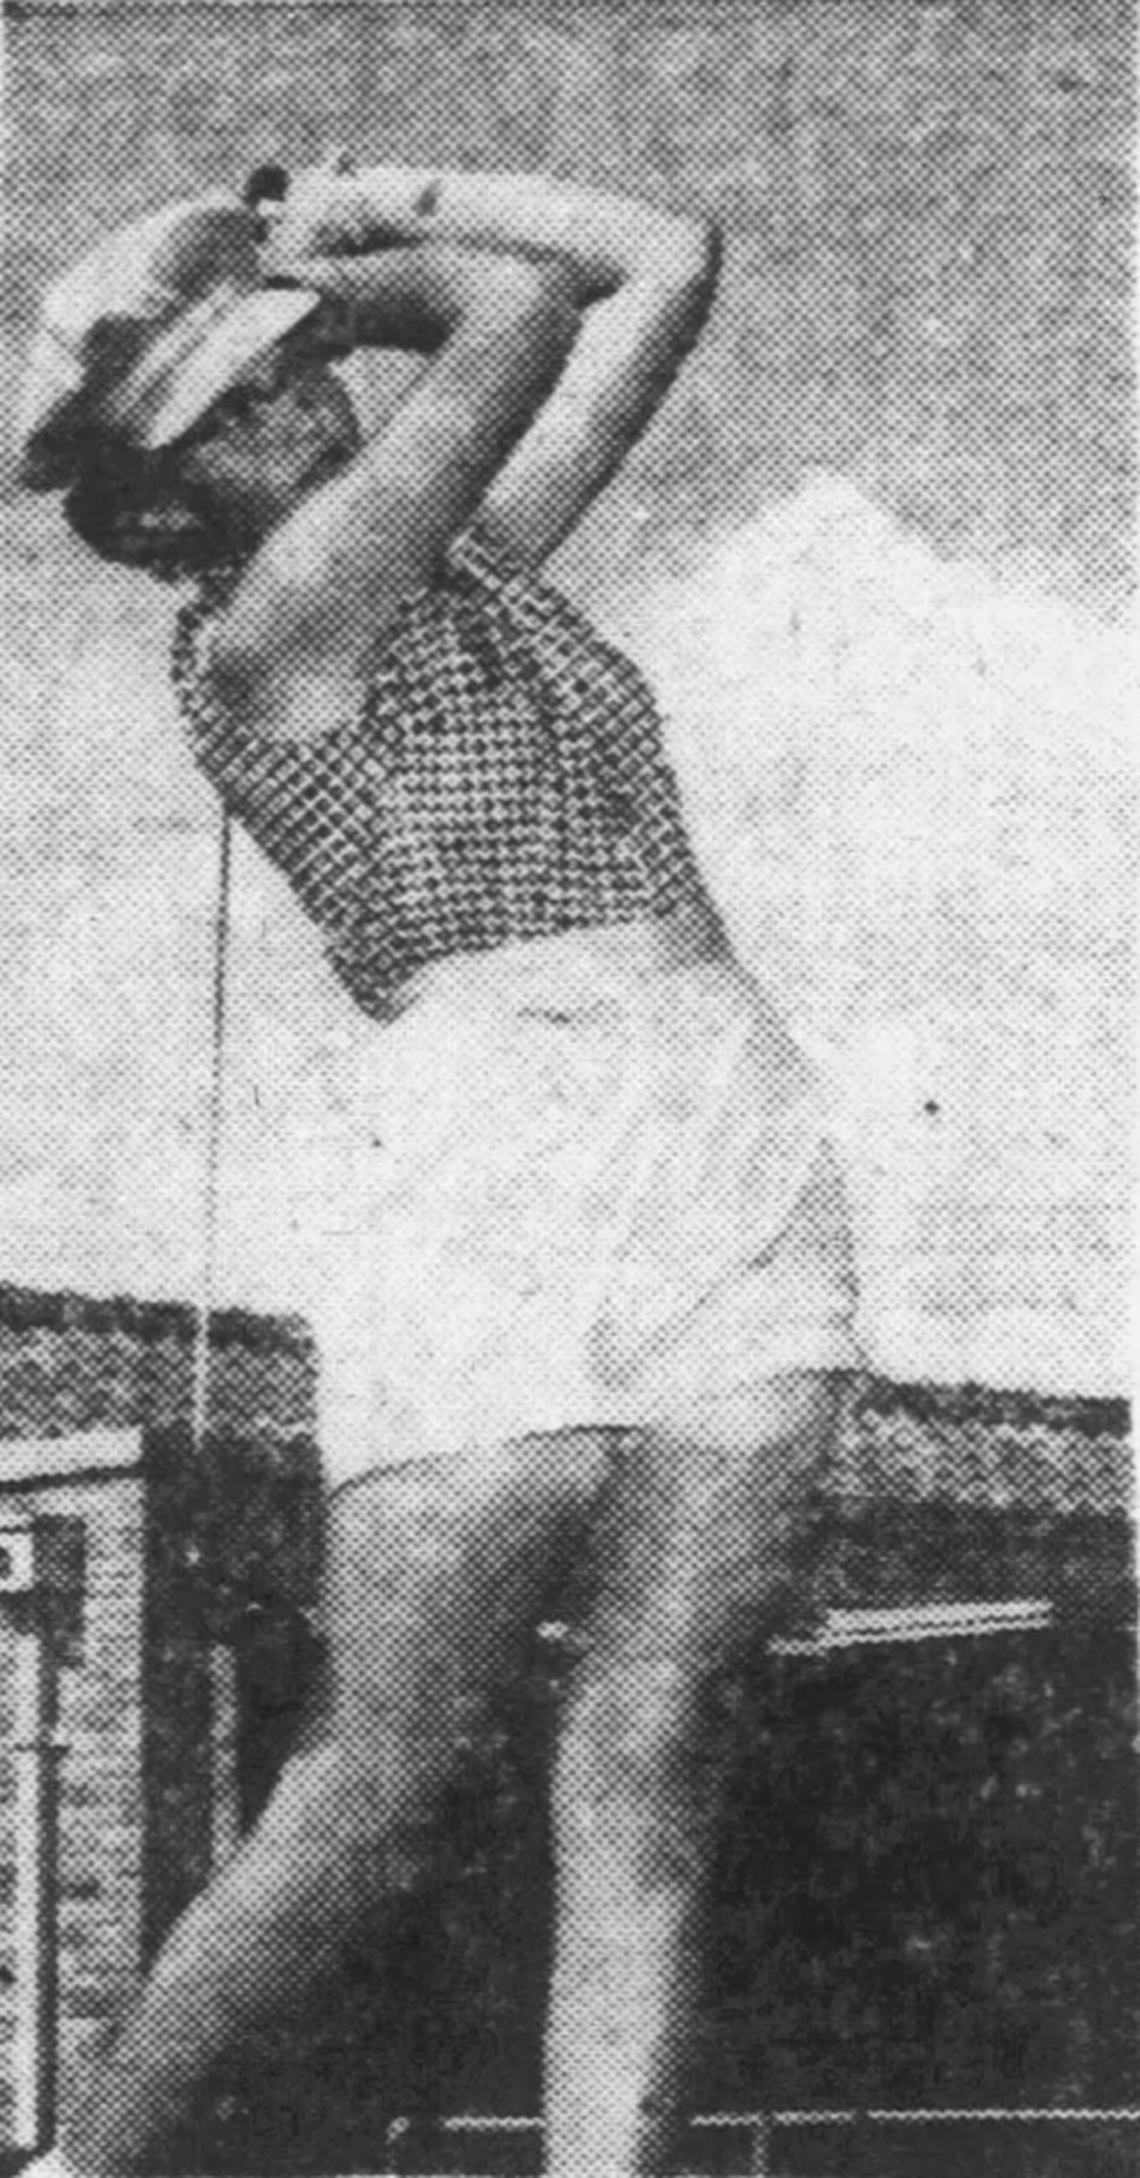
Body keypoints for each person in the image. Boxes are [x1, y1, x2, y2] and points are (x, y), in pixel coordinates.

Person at [16, 153, 859, 2178]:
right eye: (228, 414)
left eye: (293, 375)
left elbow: (668, 252)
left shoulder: (467, 554)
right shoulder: (271, 626)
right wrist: (351, 273)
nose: (297, 408)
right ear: (162, 516)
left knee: (657, 1742)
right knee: (382, 1772)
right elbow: (519, 315)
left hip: (720, 1096)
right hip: (487, 1131)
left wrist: (369, 195)